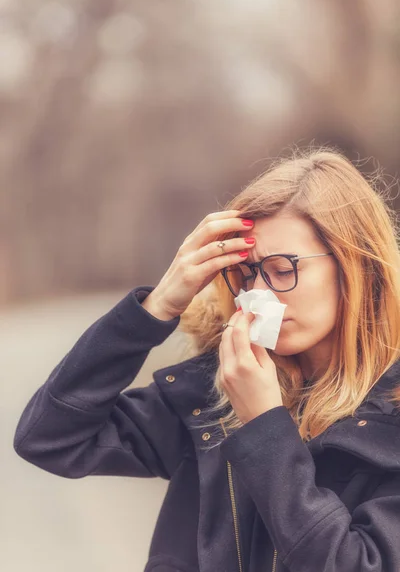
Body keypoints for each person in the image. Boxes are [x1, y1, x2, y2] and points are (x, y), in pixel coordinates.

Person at [14, 147, 400, 572]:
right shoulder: (212, 392)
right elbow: (49, 438)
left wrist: (265, 427)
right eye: (245, 273)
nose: (260, 294)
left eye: (282, 268)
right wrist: (156, 307)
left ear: (356, 264)